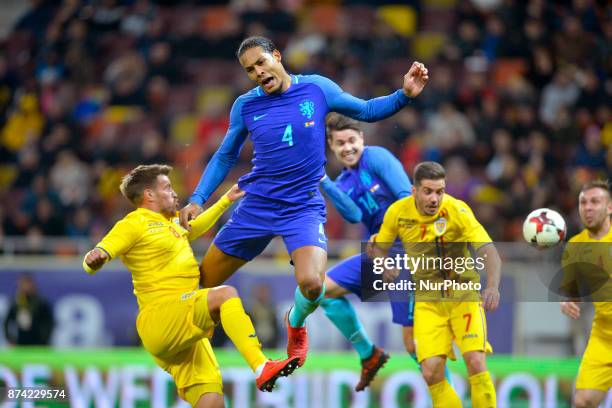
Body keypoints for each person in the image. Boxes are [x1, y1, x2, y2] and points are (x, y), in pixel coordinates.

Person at [179, 36, 429, 368]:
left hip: (302, 208)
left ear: (277, 56)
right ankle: (191, 354)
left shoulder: (316, 89)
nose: (257, 72)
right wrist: (197, 198)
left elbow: (367, 110)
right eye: (250, 69)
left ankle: (295, 325)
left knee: (312, 285)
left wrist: (404, 96)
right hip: (258, 206)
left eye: (261, 62)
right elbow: (225, 156)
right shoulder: (245, 106)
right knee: (202, 283)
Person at [83, 164, 299, 408]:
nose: (175, 193)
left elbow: (192, 227)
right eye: (167, 187)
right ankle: (260, 365)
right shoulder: (134, 223)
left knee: (212, 399)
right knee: (225, 294)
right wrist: (96, 256)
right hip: (162, 316)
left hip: (181, 325)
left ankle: (258, 368)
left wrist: (225, 200)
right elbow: (101, 252)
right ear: (149, 195)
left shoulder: (171, 224)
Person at [319, 113, 451, 391]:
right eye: (340, 143)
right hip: (380, 256)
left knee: (415, 344)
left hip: (409, 251)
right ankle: (369, 354)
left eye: (352, 140)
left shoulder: (377, 157)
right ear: (331, 147)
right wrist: (324, 181)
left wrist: (387, 236)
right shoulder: (342, 182)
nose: (348, 147)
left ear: (362, 139)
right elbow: (354, 215)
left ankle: (451, 398)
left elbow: (407, 197)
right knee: (320, 291)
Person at [370, 161, 501, 408]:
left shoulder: (458, 211)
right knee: (430, 372)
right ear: (414, 191)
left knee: (475, 360)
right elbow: (379, 248)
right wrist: (384, 263)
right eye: (428, 191)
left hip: (463, 297)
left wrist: (492, 286)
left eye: (440, 191)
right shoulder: (398, 213)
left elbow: (489, 252)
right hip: (428, 302)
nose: (435, 198)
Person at [559, 180, 611, 408]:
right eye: (583, 202)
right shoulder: (575, 246)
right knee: (583, 401)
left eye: (595, 201)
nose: (588, 208)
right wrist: (568, 301)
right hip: (604, 335)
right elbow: (571, 289)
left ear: (609, 207)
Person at [4, 273, 54, 345]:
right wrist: (9, 339)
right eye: (23, 284)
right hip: (20, 344)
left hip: (38, 344)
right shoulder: (16, 303)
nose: (26, 287)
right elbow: (7, 322)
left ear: (33, 285)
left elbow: (49, 323)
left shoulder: (41, 302)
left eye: (28, 283)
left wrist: (45, 340)